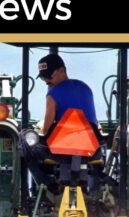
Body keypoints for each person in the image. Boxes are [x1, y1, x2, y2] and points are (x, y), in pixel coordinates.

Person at [20, 53, 100, 194]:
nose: (47, 81)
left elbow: (45, 130)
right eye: (44, 78)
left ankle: (46, 185)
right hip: (90, 147)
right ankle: (95, 190)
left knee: (23, 142)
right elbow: (92, 120)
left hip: (60, 150)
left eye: (49, 76)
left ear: (62, 70)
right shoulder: (86, 88)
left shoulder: (52, 94)